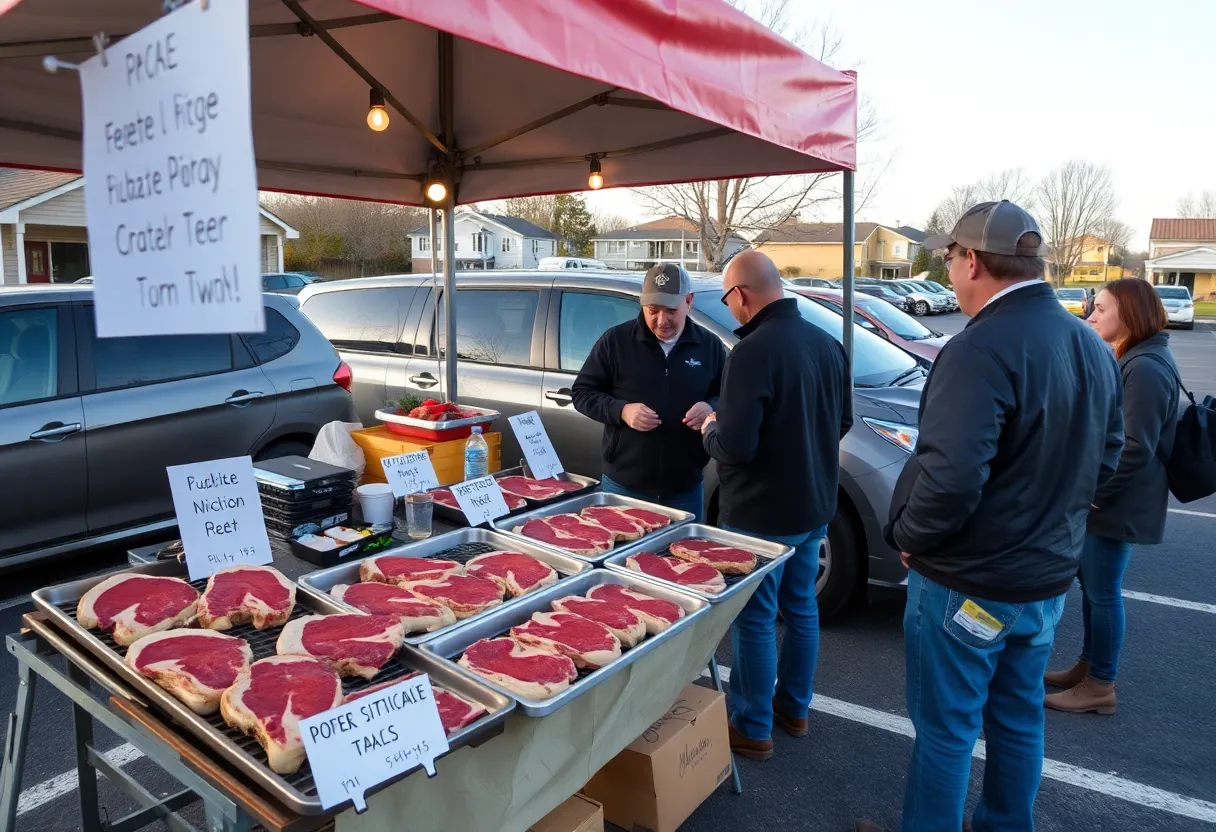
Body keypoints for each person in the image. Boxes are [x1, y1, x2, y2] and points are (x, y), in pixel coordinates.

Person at [855, 201, 1123, 832]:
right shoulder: (1087, 342)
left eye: (950, 260)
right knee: (1018, 717)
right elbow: (1108, 458)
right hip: (1045, 578)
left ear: (971, 260)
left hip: (969, 582)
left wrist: (911, 541)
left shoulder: (977, 349)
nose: (949, 275)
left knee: (946, 731)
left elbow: (950, 480)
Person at [700, 249, 851, 761]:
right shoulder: (828, 344)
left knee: (757, 618)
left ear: (740, 295)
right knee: (802, 607)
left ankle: (752, 724)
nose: (731, 309)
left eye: (728, 299)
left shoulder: (751, 352)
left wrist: (709, 428)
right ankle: (795, 709)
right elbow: (843, 422)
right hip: (814, 505)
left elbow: (736, 447)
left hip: (761, 514)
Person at [1044, 278, 1180, 715]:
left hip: (1117, 502)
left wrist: (1094, 493)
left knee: (1103, 592)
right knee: (1094, 588)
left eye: (1100, 309)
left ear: (1130, 313)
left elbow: (1135, 445)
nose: (1091, 317)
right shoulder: (1139, 357)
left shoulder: (1146, 367)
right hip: (1116, 498)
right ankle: (1089, 667)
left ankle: (1101, 684)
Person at [571, 263, 726, 521]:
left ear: (689, 301)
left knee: (681, 557)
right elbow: (582, 393)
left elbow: (727, 395)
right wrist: (621, 410)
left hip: (685, 486)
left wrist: (711, 406)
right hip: (624, 485)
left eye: (671, 310)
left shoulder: (709, 345)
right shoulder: (616, 341)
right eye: (653, 311)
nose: (661, 320)